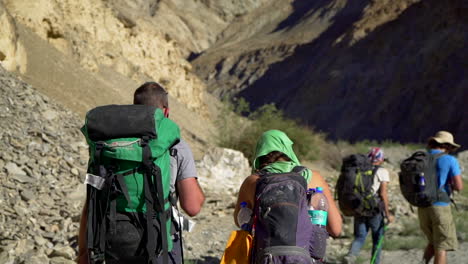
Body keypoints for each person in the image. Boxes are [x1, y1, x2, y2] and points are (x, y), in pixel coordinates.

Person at [77, 82, 205, 264]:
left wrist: (83, 251)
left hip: (113, 241)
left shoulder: (107, 144)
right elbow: (192, 207)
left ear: (134, 110)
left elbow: (92, 200)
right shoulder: (176, 145)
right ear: (165, 112)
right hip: (158, 242)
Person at [234, 129, 342, 260]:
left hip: (268, 258)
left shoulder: (252, 182)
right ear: (288, 150)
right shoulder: (314, 178)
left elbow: (239, 221)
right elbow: (336, 229)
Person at [344, 147, 395, 264]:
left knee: (360, 237)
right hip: (374, 210)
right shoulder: (382, 171)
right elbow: (383, 194)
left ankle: (351, 256)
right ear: (380, 159)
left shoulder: (359, 170)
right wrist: (388, 214)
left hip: (359, 207)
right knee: (377, 240)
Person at [419, 131, 463, 264]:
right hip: (440, 206)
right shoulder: (449, 160)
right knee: (441, 246)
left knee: (432, 242)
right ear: (447, 146)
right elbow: (459, 186)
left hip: (422, 206)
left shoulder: (421, 158)